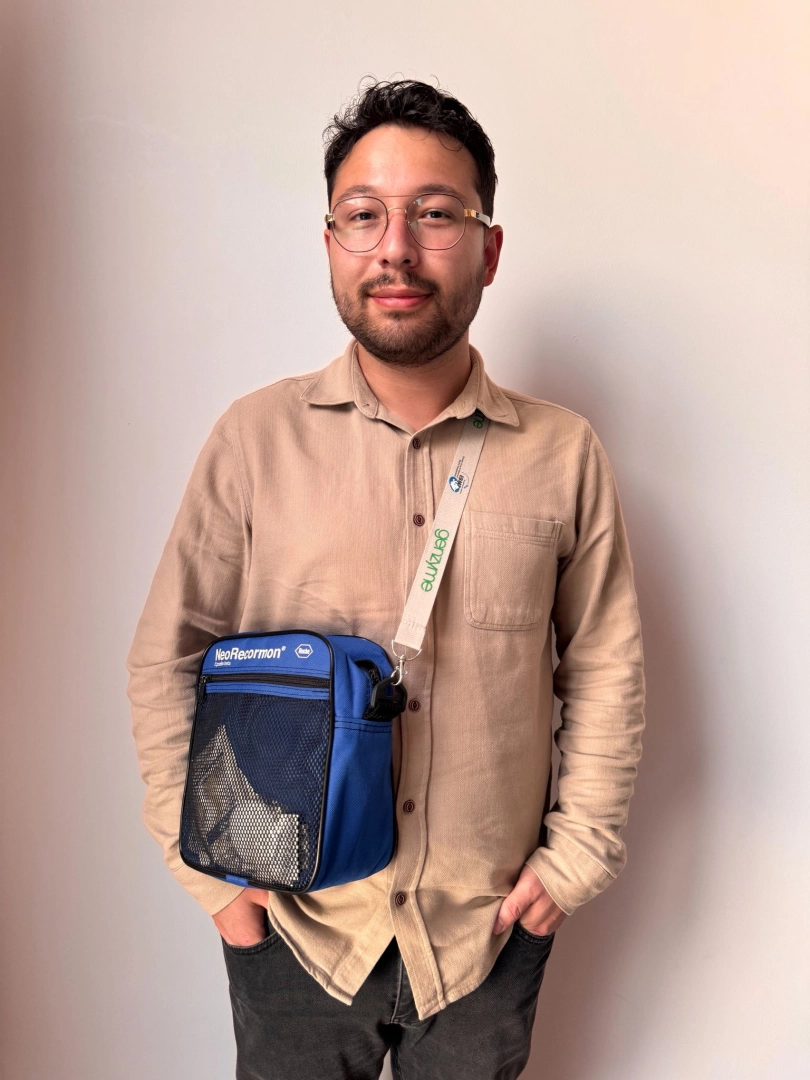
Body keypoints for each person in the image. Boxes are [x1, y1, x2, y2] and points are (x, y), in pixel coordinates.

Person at [127, 78, 646, 1080]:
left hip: (487, 932)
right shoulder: (253, 440)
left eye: (435, 214)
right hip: (295, 927)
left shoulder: (563, 453)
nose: (396, 247)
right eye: (363, 216)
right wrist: (220, 891)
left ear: (490, 248)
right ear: (330, 242)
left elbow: (605, 669)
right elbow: (165, 658)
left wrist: (573, 862)